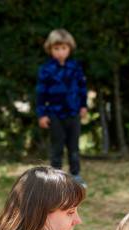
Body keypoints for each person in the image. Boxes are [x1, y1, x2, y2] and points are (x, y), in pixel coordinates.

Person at [36, 29, 88, 187]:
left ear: (69, 48)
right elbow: (41, 94)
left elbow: (82, 88)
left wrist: (83, 106)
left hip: (73, 113)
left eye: (63, 48)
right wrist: (42, 114)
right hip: (55, 115)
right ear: (50, 49)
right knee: (57, 147)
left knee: (74, 147)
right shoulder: (46, 70)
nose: (60, 52)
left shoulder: (75, 67)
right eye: (56, 49)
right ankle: (54, 180)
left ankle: (75, 175)